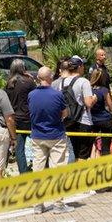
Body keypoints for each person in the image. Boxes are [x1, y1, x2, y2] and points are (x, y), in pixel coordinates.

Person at [28, 67, 72, 214]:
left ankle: (38, 204)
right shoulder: (57, 94)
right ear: (50, 78)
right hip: (56, 135)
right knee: (57, 168)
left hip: (37, 135)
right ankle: (58, 203)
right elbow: (64, 113)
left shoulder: (31, 95)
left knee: (38, 169)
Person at [60, 56, 96, 160]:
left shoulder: (62, 82)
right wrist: (94, 98)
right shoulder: (83, 82)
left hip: (69, 121)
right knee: (83, 155)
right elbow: (88, 103)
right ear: (79, 67)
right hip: (83, 121)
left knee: (74, 152)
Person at [5, 59, 36, 174]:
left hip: (15, 119)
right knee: (37, 145)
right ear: (23, 68)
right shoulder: (28, 82)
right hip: (29, 118)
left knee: (19, 148)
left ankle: (23, 172)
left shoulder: (8, 84)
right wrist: (32, 79)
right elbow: (35, 96)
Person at [88, 68, 112, 157]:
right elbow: (111, 107)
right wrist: (111, 111)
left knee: (91, 145)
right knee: (106, 147)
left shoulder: (88, 89)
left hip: (91, 120)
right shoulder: (104, 90)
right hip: (105, 120)